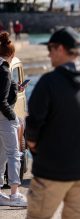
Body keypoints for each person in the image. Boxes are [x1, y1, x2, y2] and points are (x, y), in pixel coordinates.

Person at [25, 27, 80, 218]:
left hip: (51, 171)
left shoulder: (48, 82)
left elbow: (33, 123)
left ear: (60, 49)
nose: (48, 55)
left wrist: (32, 143)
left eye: (50, 49)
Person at [0, 31, 27, 207]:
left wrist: (14, 89)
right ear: (12, 54)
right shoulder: (4, 72)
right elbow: (1, 101)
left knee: (1, 155)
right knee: (13, 154)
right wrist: (13, 117)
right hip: (3, 117)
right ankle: (15, 194)